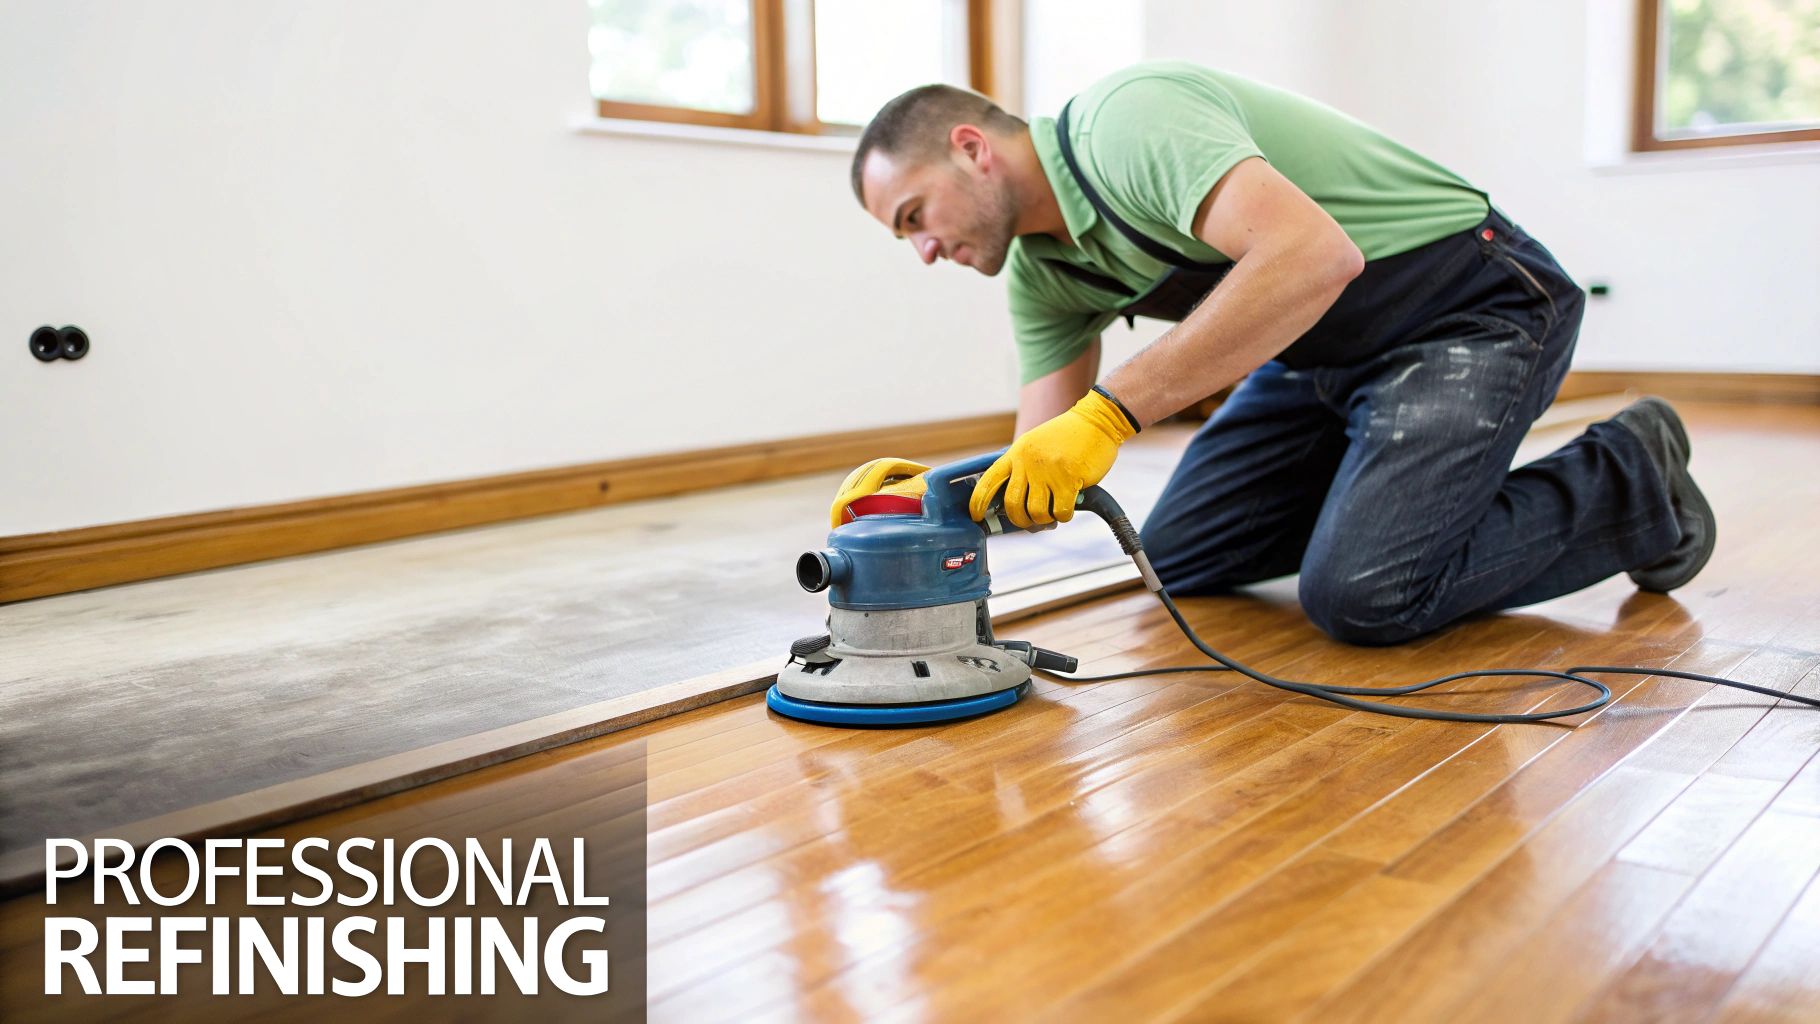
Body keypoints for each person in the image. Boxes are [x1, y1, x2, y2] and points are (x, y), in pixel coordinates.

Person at [831, 61, 1714, 645]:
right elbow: (1040, 457)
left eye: (915, 216)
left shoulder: (1128, 125)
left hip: (1466, 307)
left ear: (972, 149)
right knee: (1177, 558)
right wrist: (929, 500)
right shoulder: (1045, 273)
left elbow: (1313, 256)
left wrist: (1110, 412)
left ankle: (1629, 472)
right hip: (1320, 359)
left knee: (1367, 596)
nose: (925, 251)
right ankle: (1391, 489)